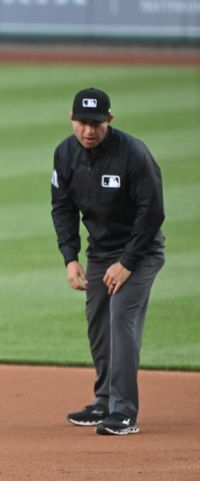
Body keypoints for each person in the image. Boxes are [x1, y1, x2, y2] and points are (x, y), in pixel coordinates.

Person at [51, 88, 165, 436]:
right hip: (100, 253)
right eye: (83, 123)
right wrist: (70, 258)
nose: (89, 130)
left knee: (121, 318)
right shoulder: (65, 154)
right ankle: (103, 400)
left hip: (140, 252)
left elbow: (152, 212)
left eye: (96, 124)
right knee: (98, 321)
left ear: (109, 121)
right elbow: (63, 208)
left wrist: (128, 261)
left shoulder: (133, 154)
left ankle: (124, 411)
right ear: (72, 120)